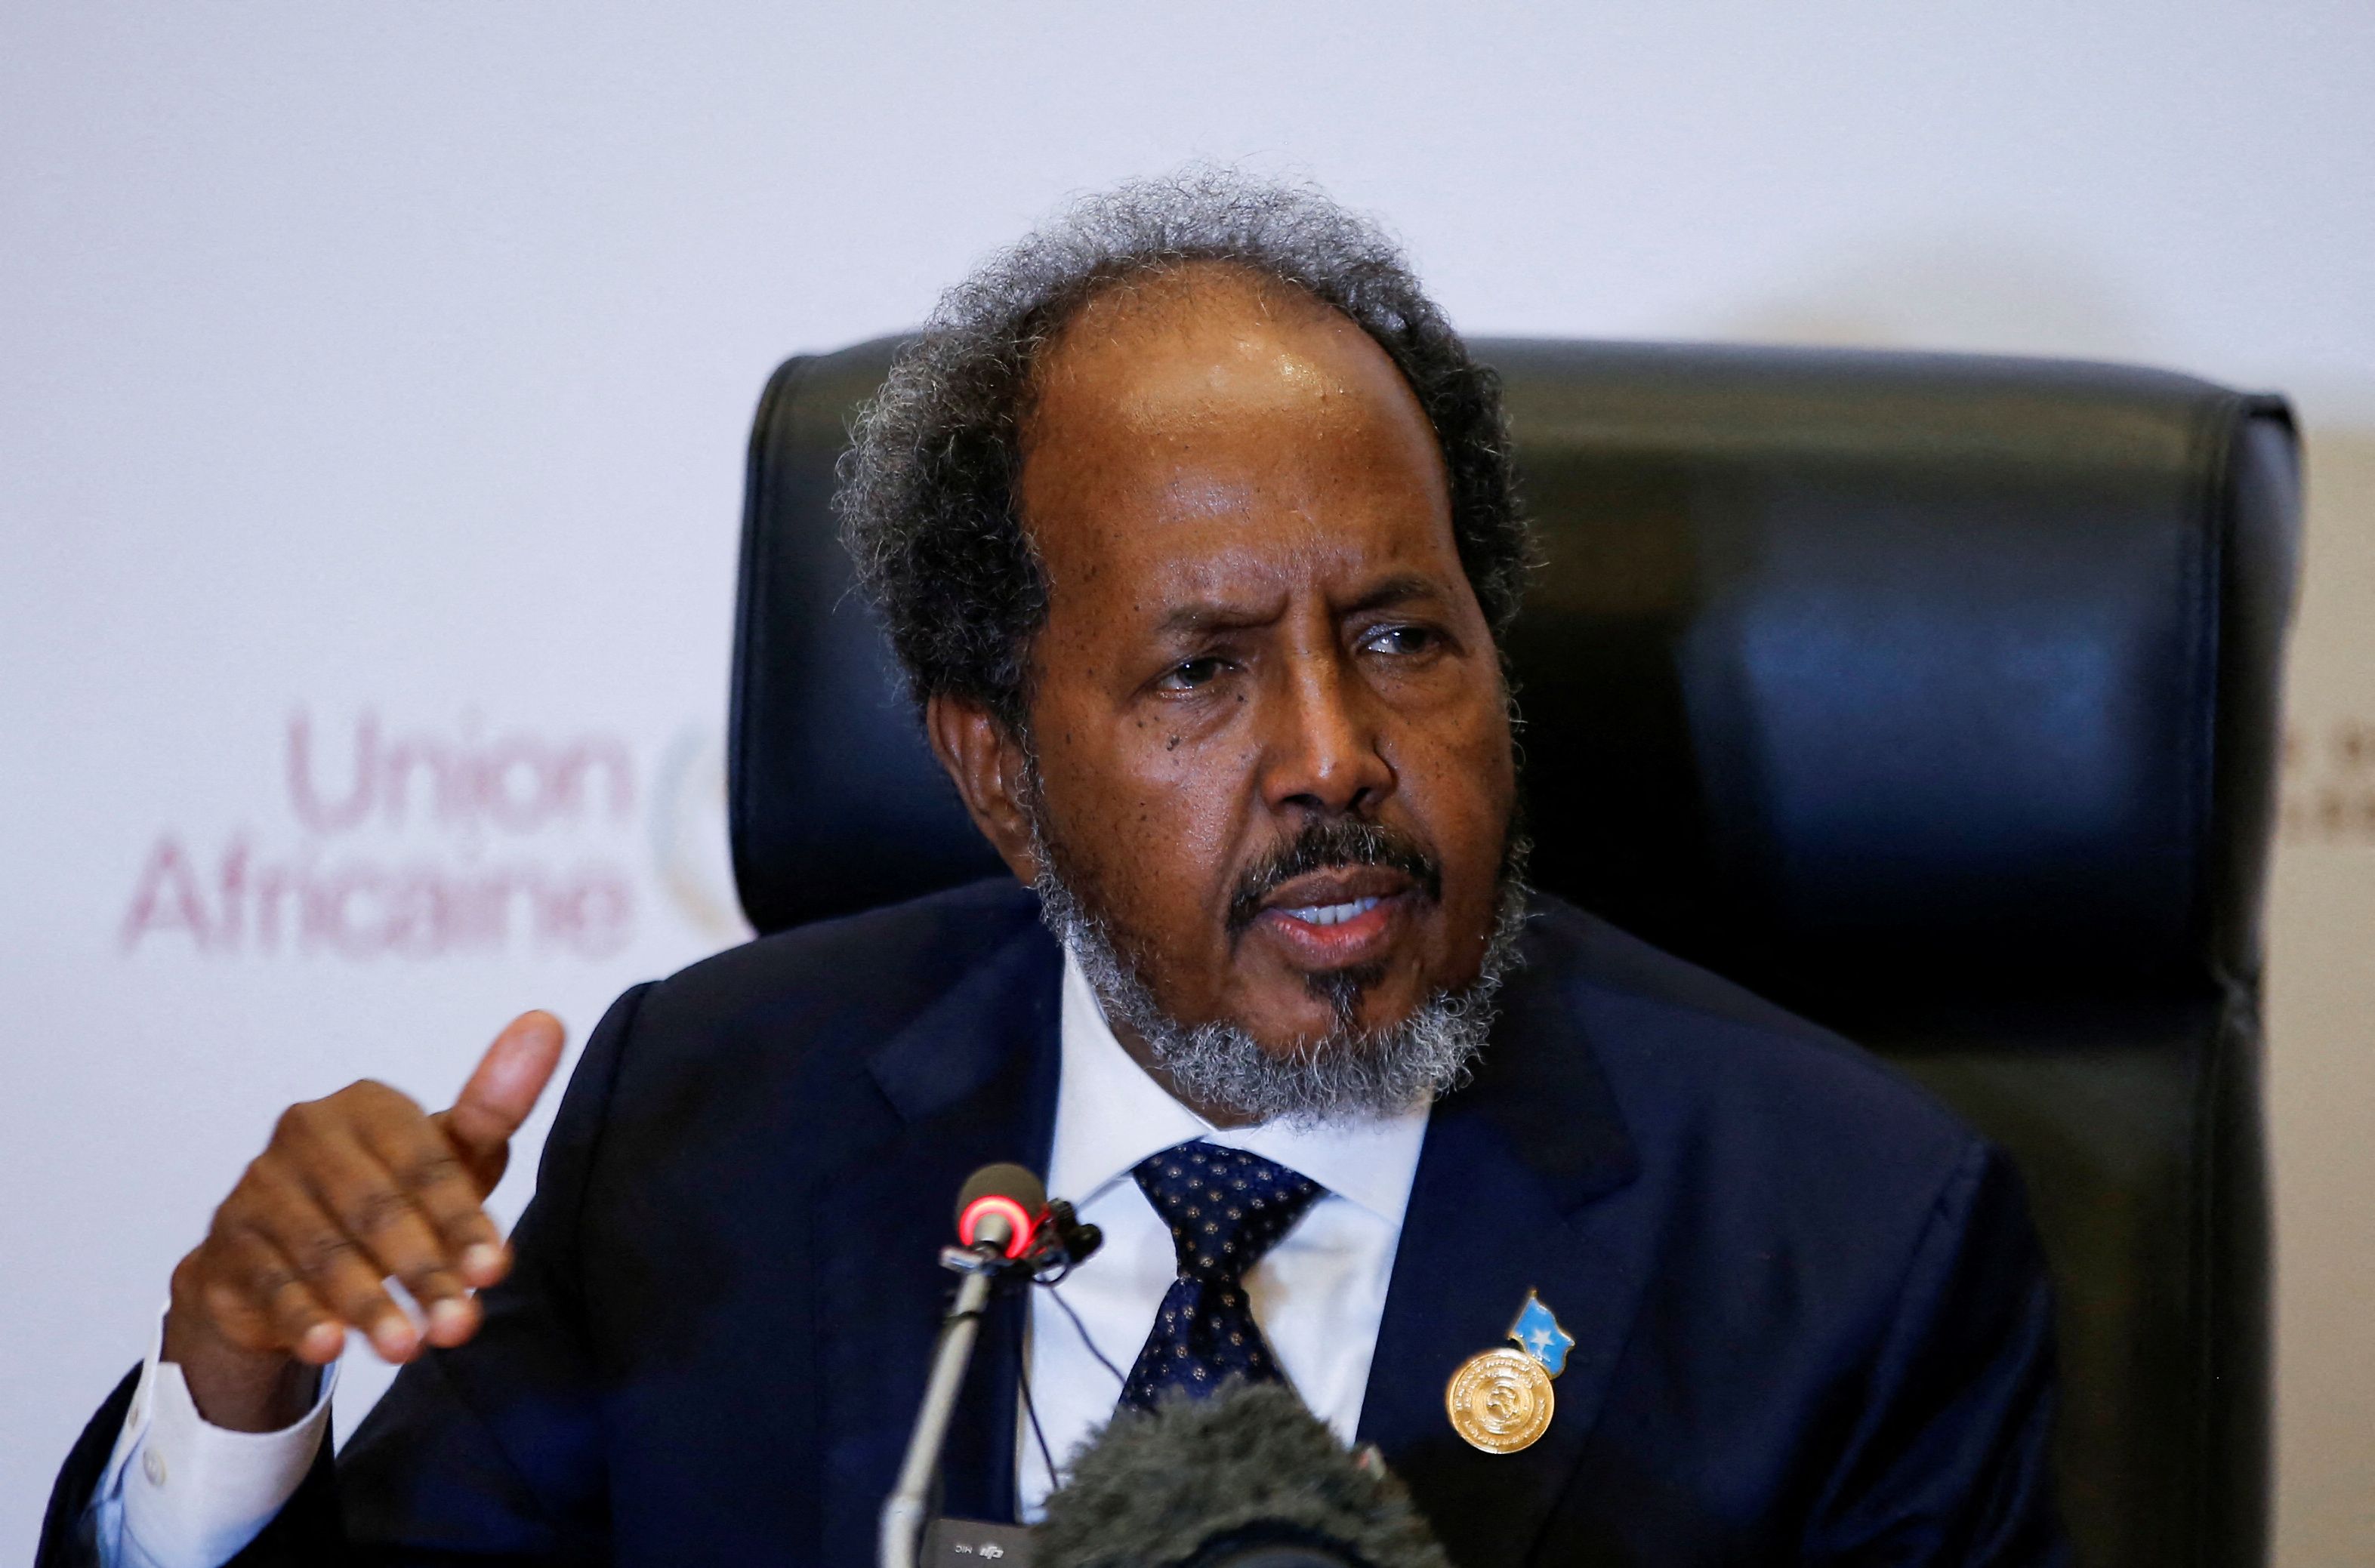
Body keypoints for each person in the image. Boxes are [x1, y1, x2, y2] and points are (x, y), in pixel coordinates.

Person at [43, 171, 2067, 1566]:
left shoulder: (1845, 1241)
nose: (1335, 757)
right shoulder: (713, 1126)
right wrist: (233, 1389)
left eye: (1401, 634)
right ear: (998, 775)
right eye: (1199, 671)